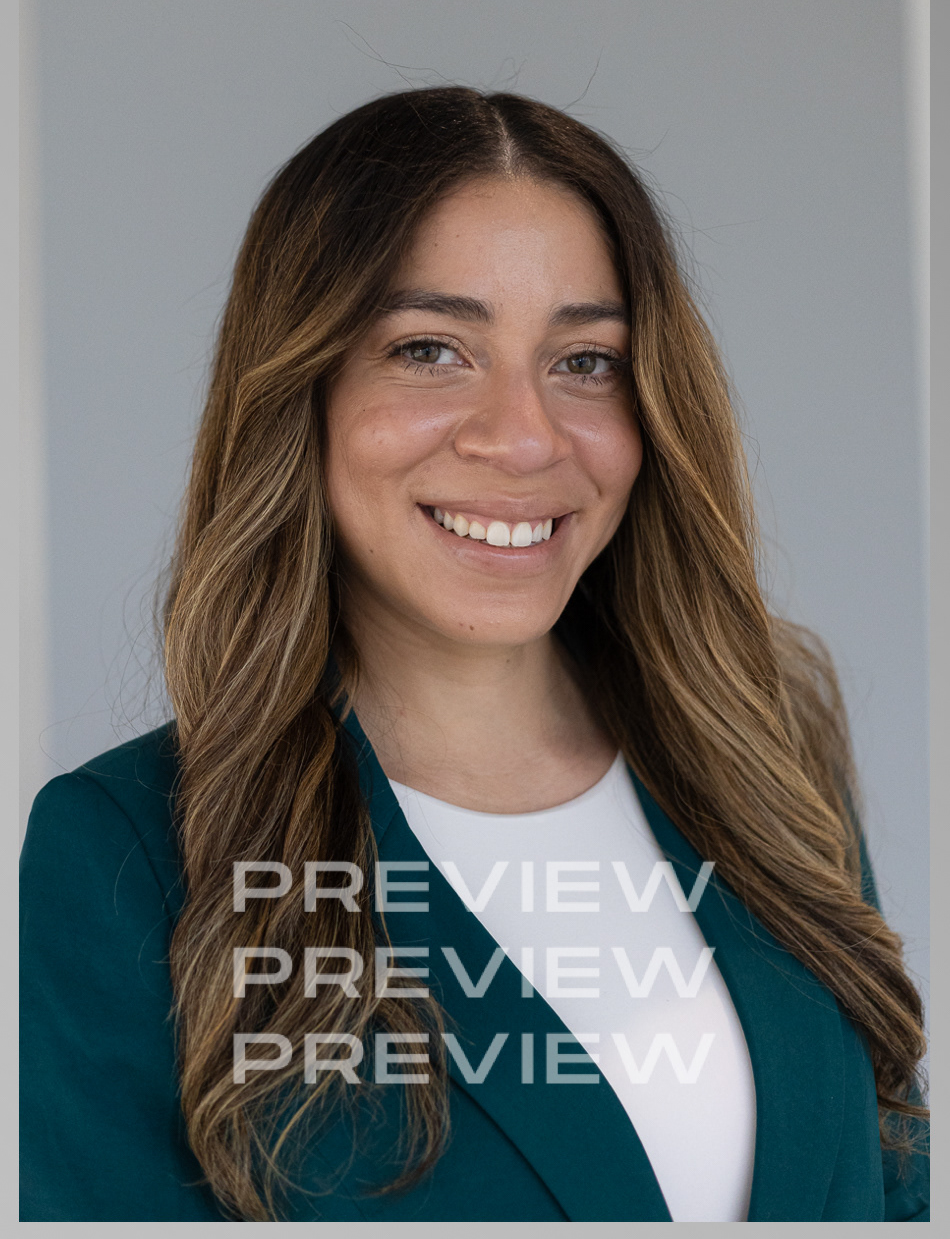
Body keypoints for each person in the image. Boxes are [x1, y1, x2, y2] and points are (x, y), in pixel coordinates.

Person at [20, 86, 928, 1223]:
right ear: (302, 390)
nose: (525, 436)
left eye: (585, 360)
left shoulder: (765, 748)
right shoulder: (129, 857)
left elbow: (894, 1180)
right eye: (430, 349)